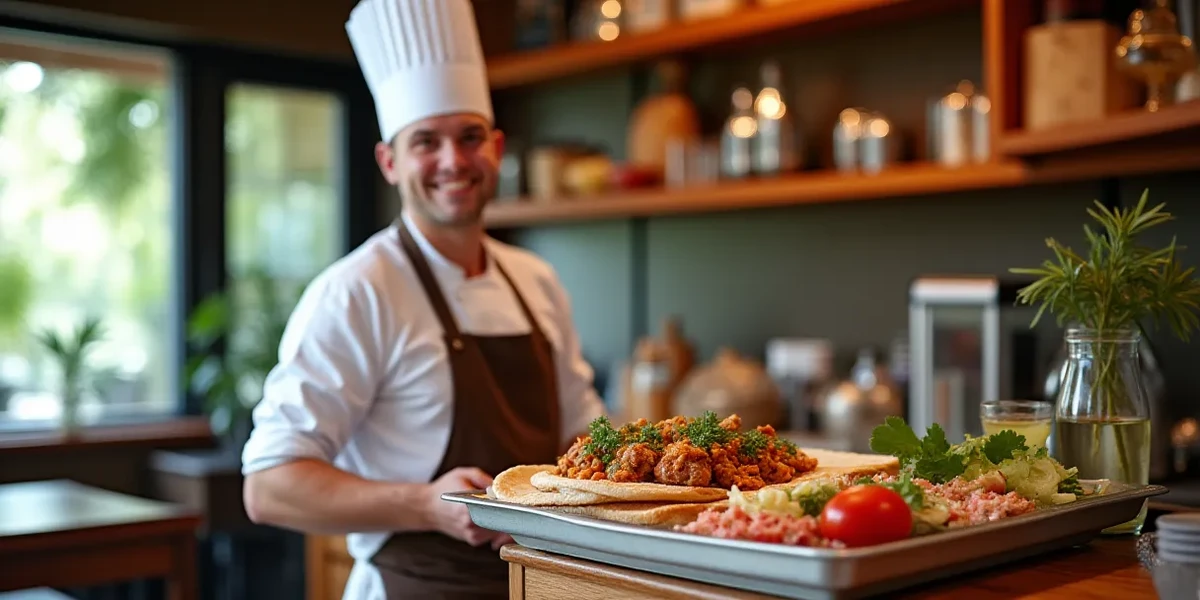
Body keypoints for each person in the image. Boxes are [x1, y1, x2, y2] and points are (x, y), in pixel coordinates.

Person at [238, 0, 607, 597]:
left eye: (470, 137)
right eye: (425, 142)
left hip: (544, 584)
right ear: (389, 161)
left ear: (497, 148)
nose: (453, 161)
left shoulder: (535, 279)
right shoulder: (357, 291)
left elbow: (582, 435)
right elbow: (269, 487)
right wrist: (424, 504)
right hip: (417, 586)